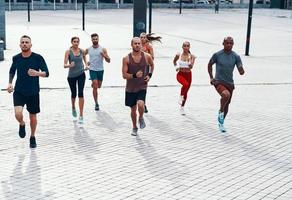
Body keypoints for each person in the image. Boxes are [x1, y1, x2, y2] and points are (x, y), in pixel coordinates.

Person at [7, 35, 49, 148]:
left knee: (33, 117)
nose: (24, 44)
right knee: (18, 113)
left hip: (33, 92)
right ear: (20, 45)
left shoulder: (38, 58)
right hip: (19, 91)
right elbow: (12, 71)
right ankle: (21, 123)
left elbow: (47, 73)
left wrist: (37, 73)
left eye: (27, 42)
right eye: (23, 42)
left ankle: (32, 136)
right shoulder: (16, 58)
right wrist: (10, 83)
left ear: (31, 44)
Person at [208, 36, 245, 132]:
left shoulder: (236, 56)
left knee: (227, 104)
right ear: (223, 43)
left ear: (233, 44)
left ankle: (221, 123)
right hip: (219, 81)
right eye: (227, 43)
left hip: (230, 83)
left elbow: (240, 68)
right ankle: (220, 111)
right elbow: (209, 64)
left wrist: (241, 70)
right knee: (225, 95)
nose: (229, 45)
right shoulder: (217, 55)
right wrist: (211, 78)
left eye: (231, 43)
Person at [122, 37, 154, 136]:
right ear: (131, 45)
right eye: (135, 43)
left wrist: (149, 75)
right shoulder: (126, 58)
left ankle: (141, 117)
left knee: (141, 104)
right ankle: (134, 127)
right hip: (131, 88)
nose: (137, 45)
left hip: (142, 86)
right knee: (133, 109)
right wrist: (134, 75)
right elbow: (124, 75)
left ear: (141, 44)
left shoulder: (147, 56)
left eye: (139, 43)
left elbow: (152, 65)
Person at [64, 36, 88, 124]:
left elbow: (85, 58)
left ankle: (81, 115)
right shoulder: (68, 52)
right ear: (71, 42)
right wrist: (69, 65)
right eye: (74, 41)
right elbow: (64, 64)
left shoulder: (81, 51)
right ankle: (73, 107)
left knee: (80, 93)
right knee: (73, 93)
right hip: (71, 76)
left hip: (81, 74)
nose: (76, 43)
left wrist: (86, 65)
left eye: (77, 41)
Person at [85, 33, 110, 111]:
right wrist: (86, 63)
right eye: (93, 39)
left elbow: (108, 61)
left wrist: (104, 56)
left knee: (98, 86)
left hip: (100, 70)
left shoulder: (103, 49)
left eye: (96, 39)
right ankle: (96, 103)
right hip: (92, 69)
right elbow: (83, 55)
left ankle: (94, 83)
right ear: (91, 40)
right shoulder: (88, 49)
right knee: (95, 86)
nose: (95, 40)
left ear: (98, 39)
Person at [139, 32, 161, 113]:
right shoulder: (137, 45)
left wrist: (146, 56)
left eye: (144, 37)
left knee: (143, 86)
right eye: (141, 37)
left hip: (145, 68)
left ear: (146, 38)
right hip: (136, 68)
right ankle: (139, 102)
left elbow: (152, 59)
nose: (142, 39)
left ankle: (143, 104)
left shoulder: (149, 47)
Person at [173, 41, 196, 115]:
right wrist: (176, 67)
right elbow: (174, 62)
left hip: (188, 75)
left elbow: (191, 67)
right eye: (184, 46)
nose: (186, 47)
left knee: (186, 91)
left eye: (187, 46)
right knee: (185, 85)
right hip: (180, 74)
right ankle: (180, 96)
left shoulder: (191, 56)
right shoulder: (178, 54)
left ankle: (182, 107)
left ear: (189, 47)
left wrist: (191, 60)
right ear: (182, 47)